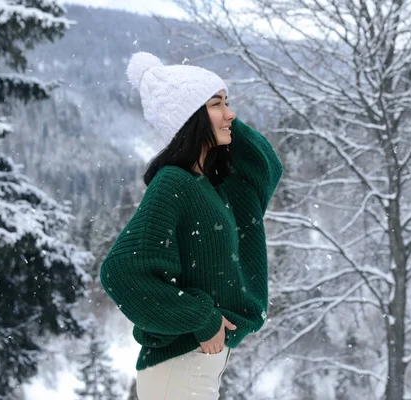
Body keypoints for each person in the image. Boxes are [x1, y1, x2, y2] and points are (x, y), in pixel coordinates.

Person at [99, 52, 283, 400]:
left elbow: (264, 167)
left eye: (227, 103)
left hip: (195, 367)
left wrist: (218, 118)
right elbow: (120, 271)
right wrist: (201, 317)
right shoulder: (174, 183)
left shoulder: (211, 185)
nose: (231, 114)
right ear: (191, 118)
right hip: (180, 368)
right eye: (217, 104)